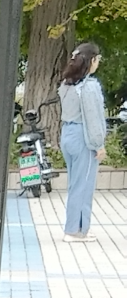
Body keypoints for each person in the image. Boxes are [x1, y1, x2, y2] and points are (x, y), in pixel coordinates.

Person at [58, 41, 106, 239]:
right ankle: (75, 230)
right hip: (83, 137)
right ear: (91, 60)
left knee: (75, 183)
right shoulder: (89, 87)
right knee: (84, 185)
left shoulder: (66, 84)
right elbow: (93, 118)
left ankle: (78, 226)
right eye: (98, 59)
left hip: (67, 134)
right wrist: (99, 144)